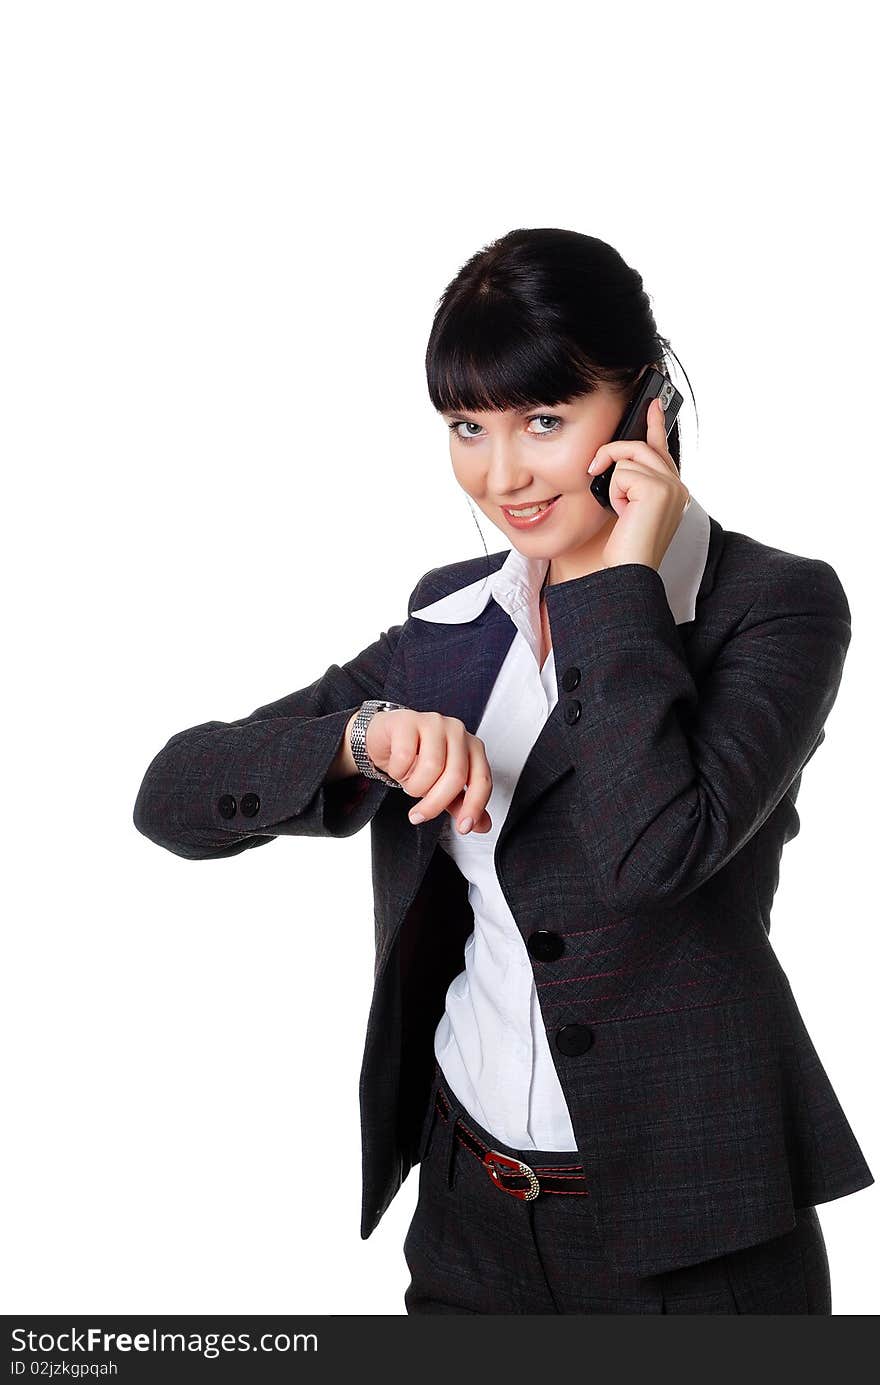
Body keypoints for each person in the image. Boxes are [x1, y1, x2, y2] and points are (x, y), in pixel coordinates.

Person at [133, 228, 873, 1314]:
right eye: (465, 426)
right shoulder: (451, 619)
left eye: (543, 419)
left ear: (643, 410)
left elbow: (653, 849)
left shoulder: (774, 606)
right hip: (470, 1216)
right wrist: (362, 736)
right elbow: (173, 797)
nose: (501, 474)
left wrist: (614, 583)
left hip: (692, 1239)